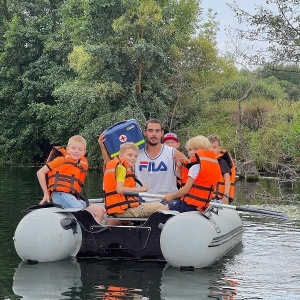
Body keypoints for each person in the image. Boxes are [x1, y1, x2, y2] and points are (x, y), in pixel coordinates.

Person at [99, 119, 186, 203]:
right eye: (150, 131)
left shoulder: (172, 152)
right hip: (141, 201)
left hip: (167, 200)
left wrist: (180, 166)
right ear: (144, 132)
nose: (154, 134)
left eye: (157, 131)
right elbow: (113, 167)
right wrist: (103, 148)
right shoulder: (135, 154)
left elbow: (191, 170)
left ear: (162, 133)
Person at [37, 135, 106, 224]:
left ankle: (93, 234)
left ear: (84, 152)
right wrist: (46, 194)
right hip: (59, 194)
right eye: (73, 148)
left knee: (100, 211)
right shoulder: (60, 160)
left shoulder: (82, 165)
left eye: (80, 149)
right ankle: (87, 232)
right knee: (83, 213)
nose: (76, 151)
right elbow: (40, 172)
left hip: (72, 197)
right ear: (68, 149)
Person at [103, 142, 164, 218]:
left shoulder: (119, 166)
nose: (133, 158)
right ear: (121, 155)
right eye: (130, 155)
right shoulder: (121, 168)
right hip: (123, 210)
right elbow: (120, 189)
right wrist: (140, 189)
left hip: (119, 208)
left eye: (135, 156)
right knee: (161, 206)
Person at [162, 135, 221, 213]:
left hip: (189, 205)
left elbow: (186, 189)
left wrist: (171, 196)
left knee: (159, 210)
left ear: (204, 150)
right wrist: (180, 168)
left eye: (195, 149)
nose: (192, 152)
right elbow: (184, 179)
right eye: (190, 150)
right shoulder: (208, 165)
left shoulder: (195, 166)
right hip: (201, 206)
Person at [207, 135, 236, 204]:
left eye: (214, 147)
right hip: (207, 198)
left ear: (219, 149)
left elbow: (227, 179)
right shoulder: (205, 162)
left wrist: (226, 196)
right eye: (209, 147)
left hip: (219, 199)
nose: (211, 150)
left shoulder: (222, 162)